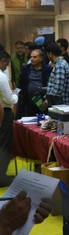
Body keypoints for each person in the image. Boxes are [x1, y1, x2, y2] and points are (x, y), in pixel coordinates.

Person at [16, 49, 52, 118]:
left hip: (40, 99)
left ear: (41, 58)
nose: (32, 59)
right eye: (31, 57)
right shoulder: (26, 68)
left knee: (41, 118)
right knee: (28, 118)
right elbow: (20, 83)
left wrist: (47, 100)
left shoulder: (48, 69)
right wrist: (15, 94)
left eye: (35, 57)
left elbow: (51, 85)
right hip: (28, 99)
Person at [0, 50, 18, 186]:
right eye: (6, 64)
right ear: (3, 61)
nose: (6, 68)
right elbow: (9, 99)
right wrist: (16, 96)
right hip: (3, 113)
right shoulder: (1, 77)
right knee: (4, 145)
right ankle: (2, 178)